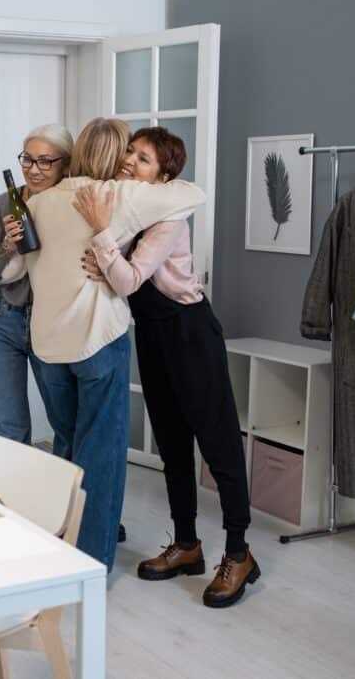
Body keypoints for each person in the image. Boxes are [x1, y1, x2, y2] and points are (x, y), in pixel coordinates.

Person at [0, 118, 205, 571]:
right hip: (96, 342)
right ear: (115, 158)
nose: (130, 162)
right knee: (102, 456)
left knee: (67, 446)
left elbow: (12, 272)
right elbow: (193, 194)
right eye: (128, 153)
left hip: (48, 346)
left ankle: (56, 543)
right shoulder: (117, 197)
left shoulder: (39, 201)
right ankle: (89, 565)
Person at [76, 126, 259, 608]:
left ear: (163, 175)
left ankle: (239, 553)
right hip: (154, 335)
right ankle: (186, 544)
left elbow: (128, 278)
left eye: (144, 158)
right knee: (172, 446)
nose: (130, 161)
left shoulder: (170, 213)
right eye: (131, 152)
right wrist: (109, 265)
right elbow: (118, 275)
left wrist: (103, 246)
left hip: (190, 332)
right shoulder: (130, 207)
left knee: (218, 446)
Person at [0, 124, 72, 444]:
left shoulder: (70, 204)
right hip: (1, 318)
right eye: (27, 159)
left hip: (51, 320)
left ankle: (66, 479)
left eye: (45, 161)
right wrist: (7, 247)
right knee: (8, 425)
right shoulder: (4, 204)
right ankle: (12, 480)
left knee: (66, 420)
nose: (34, 170)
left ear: (65, 164)